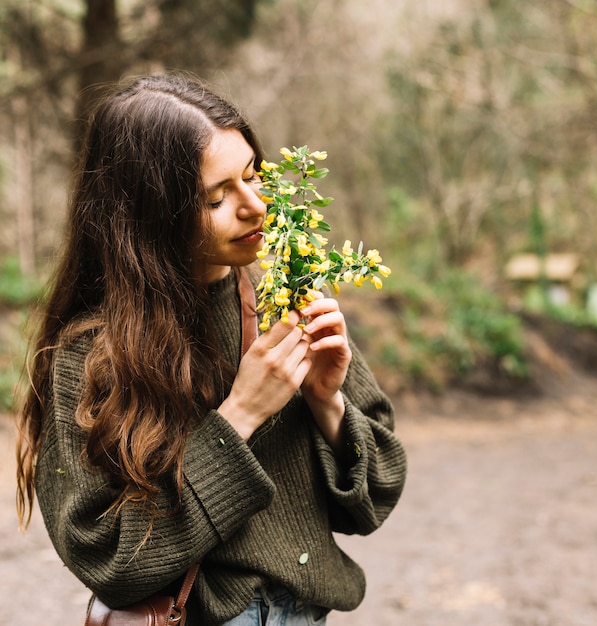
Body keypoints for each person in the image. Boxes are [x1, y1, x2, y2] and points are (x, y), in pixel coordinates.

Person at [15, 73, 407, 626]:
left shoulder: (286, 298)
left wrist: (328, 404)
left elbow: (379, 493)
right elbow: (106, 559)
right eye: (216, 196)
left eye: (254, 175)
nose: (255, 207)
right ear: (150, 216)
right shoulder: (91, 354)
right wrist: (241, 413)